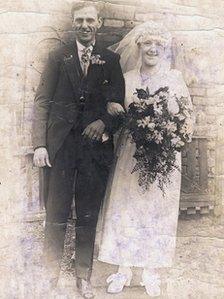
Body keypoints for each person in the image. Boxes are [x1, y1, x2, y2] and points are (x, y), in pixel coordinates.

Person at [32, 2, 125, 298]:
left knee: (87, 214)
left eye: (90, 20)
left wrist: (103, 122)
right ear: (73, 23)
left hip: (93, 151)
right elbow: (42, 101)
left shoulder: (110, 60)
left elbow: (118, 103)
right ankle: (49, 278)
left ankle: (83, 278)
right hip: (60, 148)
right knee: (56, 213)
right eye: (79, 20)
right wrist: (40, 144)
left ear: (99, 23)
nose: (85, 25)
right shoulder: (58, 56)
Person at [98, 21, 195, 297]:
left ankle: (150, 271)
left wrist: (172, 136)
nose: (152, 49)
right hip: (131, 154)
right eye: (148, 43)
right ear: (139, 46)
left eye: (158, 45)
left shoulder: (174, 79)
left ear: (165, 50)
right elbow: (116, 114)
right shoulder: (127, 78)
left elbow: (187, 118)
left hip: (163, 157)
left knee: (156, 211)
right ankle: (124, 269)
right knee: (126, 208)